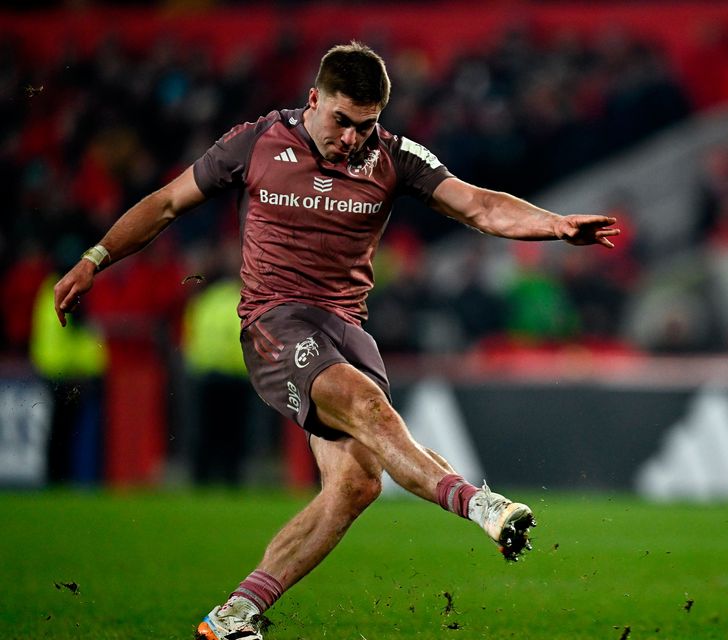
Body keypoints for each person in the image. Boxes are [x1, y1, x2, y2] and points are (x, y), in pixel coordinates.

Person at [53, 41, 620, 640]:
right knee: (368, 407)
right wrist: (96, 258)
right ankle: (481, 505)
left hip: (346, 329)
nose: (352, 138)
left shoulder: (395, 156)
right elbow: (168, 202)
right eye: (342, 121)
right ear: (314, 99)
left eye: (365, 125)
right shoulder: (257, 141)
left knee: (355, 484)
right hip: (276, 323)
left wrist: (555, 225)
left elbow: (478, 206)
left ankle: (233, 616)